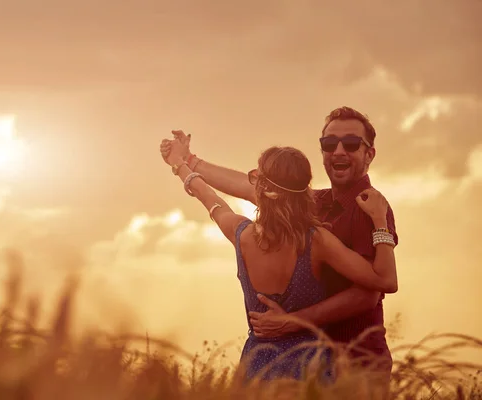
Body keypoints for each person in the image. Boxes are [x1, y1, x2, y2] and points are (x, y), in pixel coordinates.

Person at [159, 107, 398, 385]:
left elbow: (369, 294)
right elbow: (250, 188)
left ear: (369, 154)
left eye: (352, 143)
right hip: (314, 362)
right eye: (330, 144)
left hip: (358, 360)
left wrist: (293, 320)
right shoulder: (312, 207)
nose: (339, 151)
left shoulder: (369, 208)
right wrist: (189, 160)